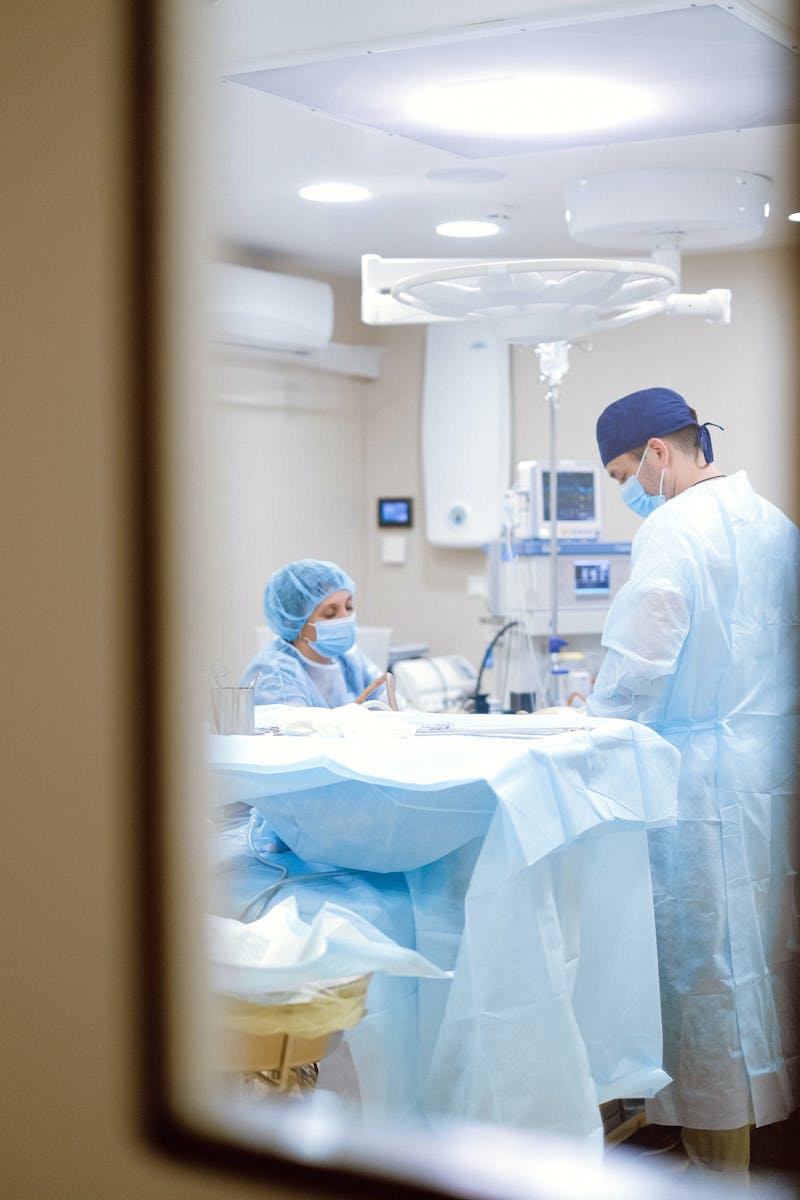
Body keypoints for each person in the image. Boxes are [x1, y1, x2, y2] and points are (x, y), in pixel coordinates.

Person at [585, 386, 800, 1177]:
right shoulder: (774, 523)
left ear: (659, 454)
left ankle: (720, 1169)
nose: (625, 492)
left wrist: (591, 719)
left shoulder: (673, 530)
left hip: (701, 786)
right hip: (772, 773)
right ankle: (762, 1146)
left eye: (620, 474)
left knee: (706, 975)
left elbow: (639, 669)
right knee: (770, 961)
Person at [240, 558, 389, 707]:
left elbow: (393, 707)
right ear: (293, 622)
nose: (346, 618)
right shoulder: (275, 675)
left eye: (348, 606)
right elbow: (294, 728)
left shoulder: (349, 659)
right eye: (330, 613)